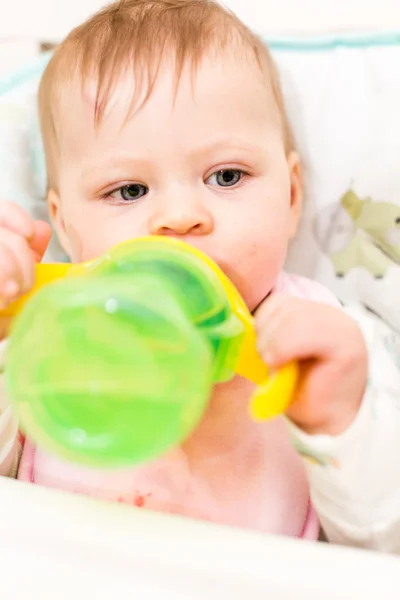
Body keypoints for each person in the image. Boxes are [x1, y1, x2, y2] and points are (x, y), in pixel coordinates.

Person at [0, 0, 399, 552]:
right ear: (65, 224)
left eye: (227, 175)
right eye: (129, 190)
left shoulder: (326, 348)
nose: (180, 216)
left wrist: (341, 427)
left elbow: (387, 549)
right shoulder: (46, 330)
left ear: (290, 196)